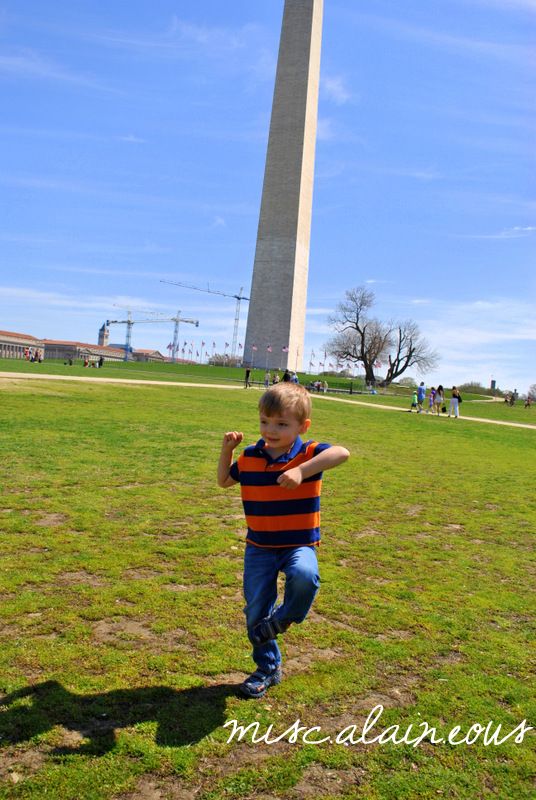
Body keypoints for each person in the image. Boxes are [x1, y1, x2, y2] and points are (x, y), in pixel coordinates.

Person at [217, 383, 350, 699]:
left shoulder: (309, 453)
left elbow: (342, 453)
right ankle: (267, 668)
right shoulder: (250, 456)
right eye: (265, 421)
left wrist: (302, 472)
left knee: (305, 577)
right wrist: (227, 451)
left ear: (303, 427)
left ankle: (284, 618)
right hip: (259, 547)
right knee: (255, 611)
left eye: (281, 424)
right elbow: (223, 481)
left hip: (298, 543)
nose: (270, 430)